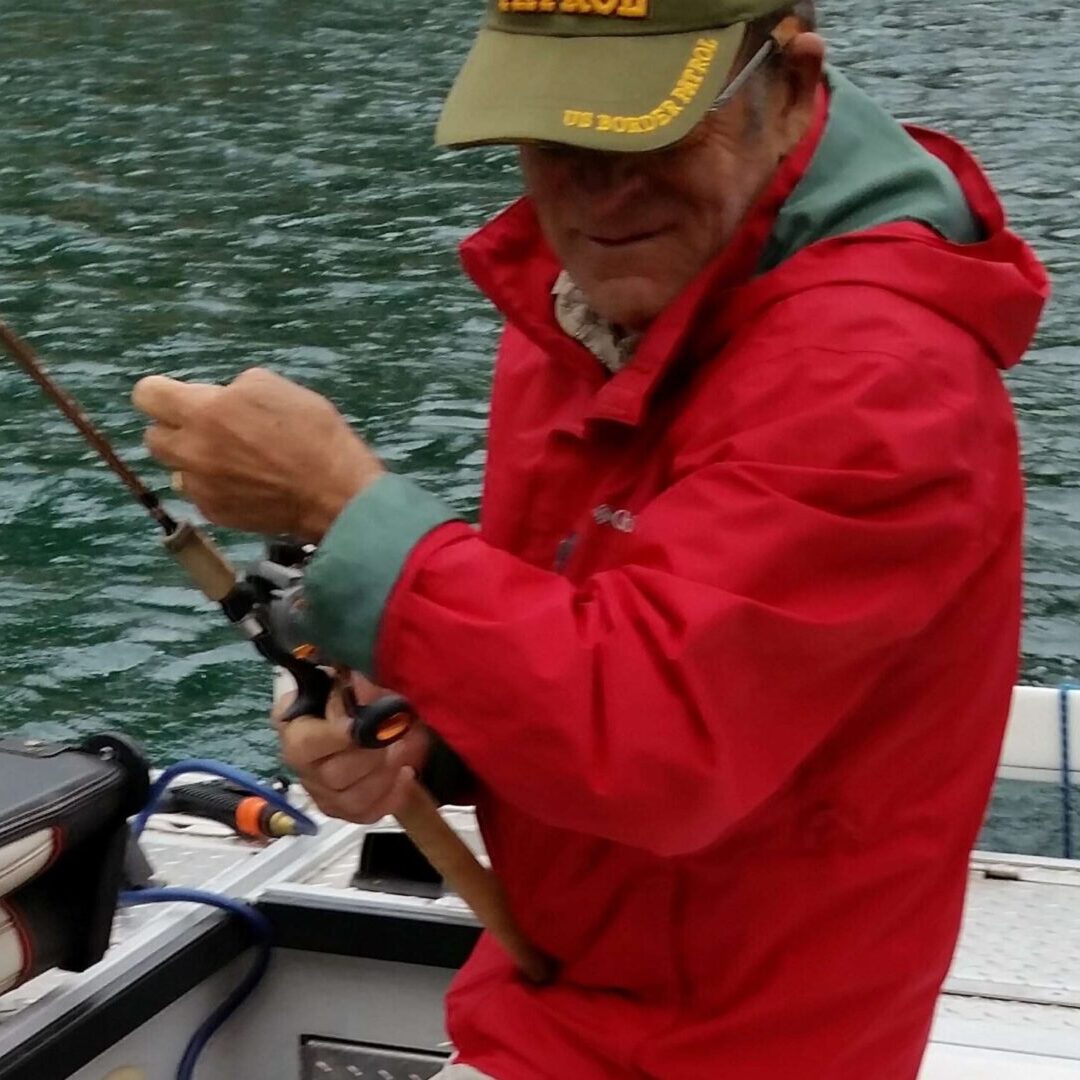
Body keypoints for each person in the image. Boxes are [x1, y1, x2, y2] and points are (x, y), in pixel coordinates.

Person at [132, 1, 1050, 1076]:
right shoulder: (591, 306)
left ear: (792, 80)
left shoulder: (878, 374)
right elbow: (581, 636)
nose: (600, 193)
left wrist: (346, 504)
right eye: (557, 137)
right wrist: (421, 724)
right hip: (554, 1010)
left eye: (649, 131)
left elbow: (657, 740)